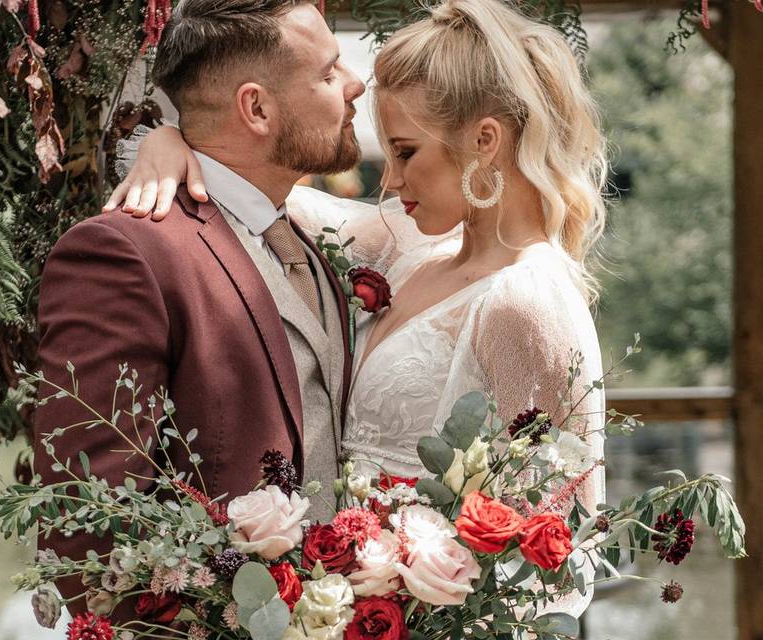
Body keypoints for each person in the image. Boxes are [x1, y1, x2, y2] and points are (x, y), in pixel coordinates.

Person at [110, 0, 609, 617]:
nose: (390, 182)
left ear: (485, 140)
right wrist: (166, 140)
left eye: (405, 152)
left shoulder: (526, 300)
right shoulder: (407, 247)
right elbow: (249, 192)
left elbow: (556, 552)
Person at [34, 0, 364, 616]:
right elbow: (86, 522)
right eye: (328, 72)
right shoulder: (122, 254)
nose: (355, 84)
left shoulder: (305, 237)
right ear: (256, 108)